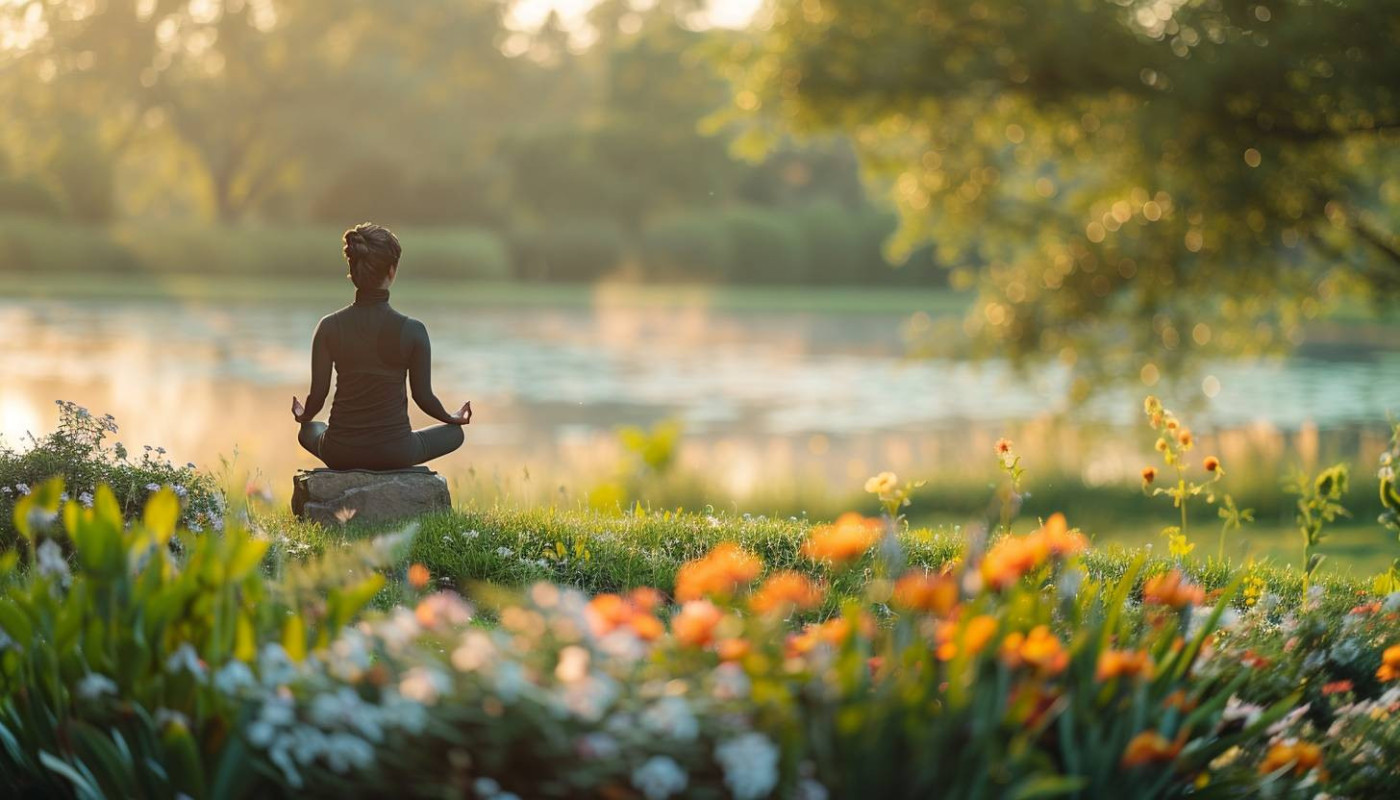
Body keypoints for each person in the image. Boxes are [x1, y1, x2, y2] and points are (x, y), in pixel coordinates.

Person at [292, 222, 471, 470]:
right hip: (395, 452)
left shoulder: (328, 327)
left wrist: (304, 415)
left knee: (309, 430)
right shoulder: (413, 330)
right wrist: (451, 418)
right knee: (455, 434)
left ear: (353, 271)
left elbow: (318, 396)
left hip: (340, 452)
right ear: (392, 271)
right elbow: (424, 397)